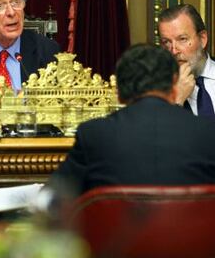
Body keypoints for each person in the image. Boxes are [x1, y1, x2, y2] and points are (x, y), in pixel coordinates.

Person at [49, 44, 215, 198]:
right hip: (190, 230)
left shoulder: (94, 135)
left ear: (119, 93)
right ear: (174, 87)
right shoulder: (207, 134)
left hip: (114, 230)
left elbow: (51, 201)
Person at [158, 3, 214, 117]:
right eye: (166, 42)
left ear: (202, 39)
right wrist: (177, 99)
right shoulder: (152, 88)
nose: (173, 51)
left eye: (182, 39)